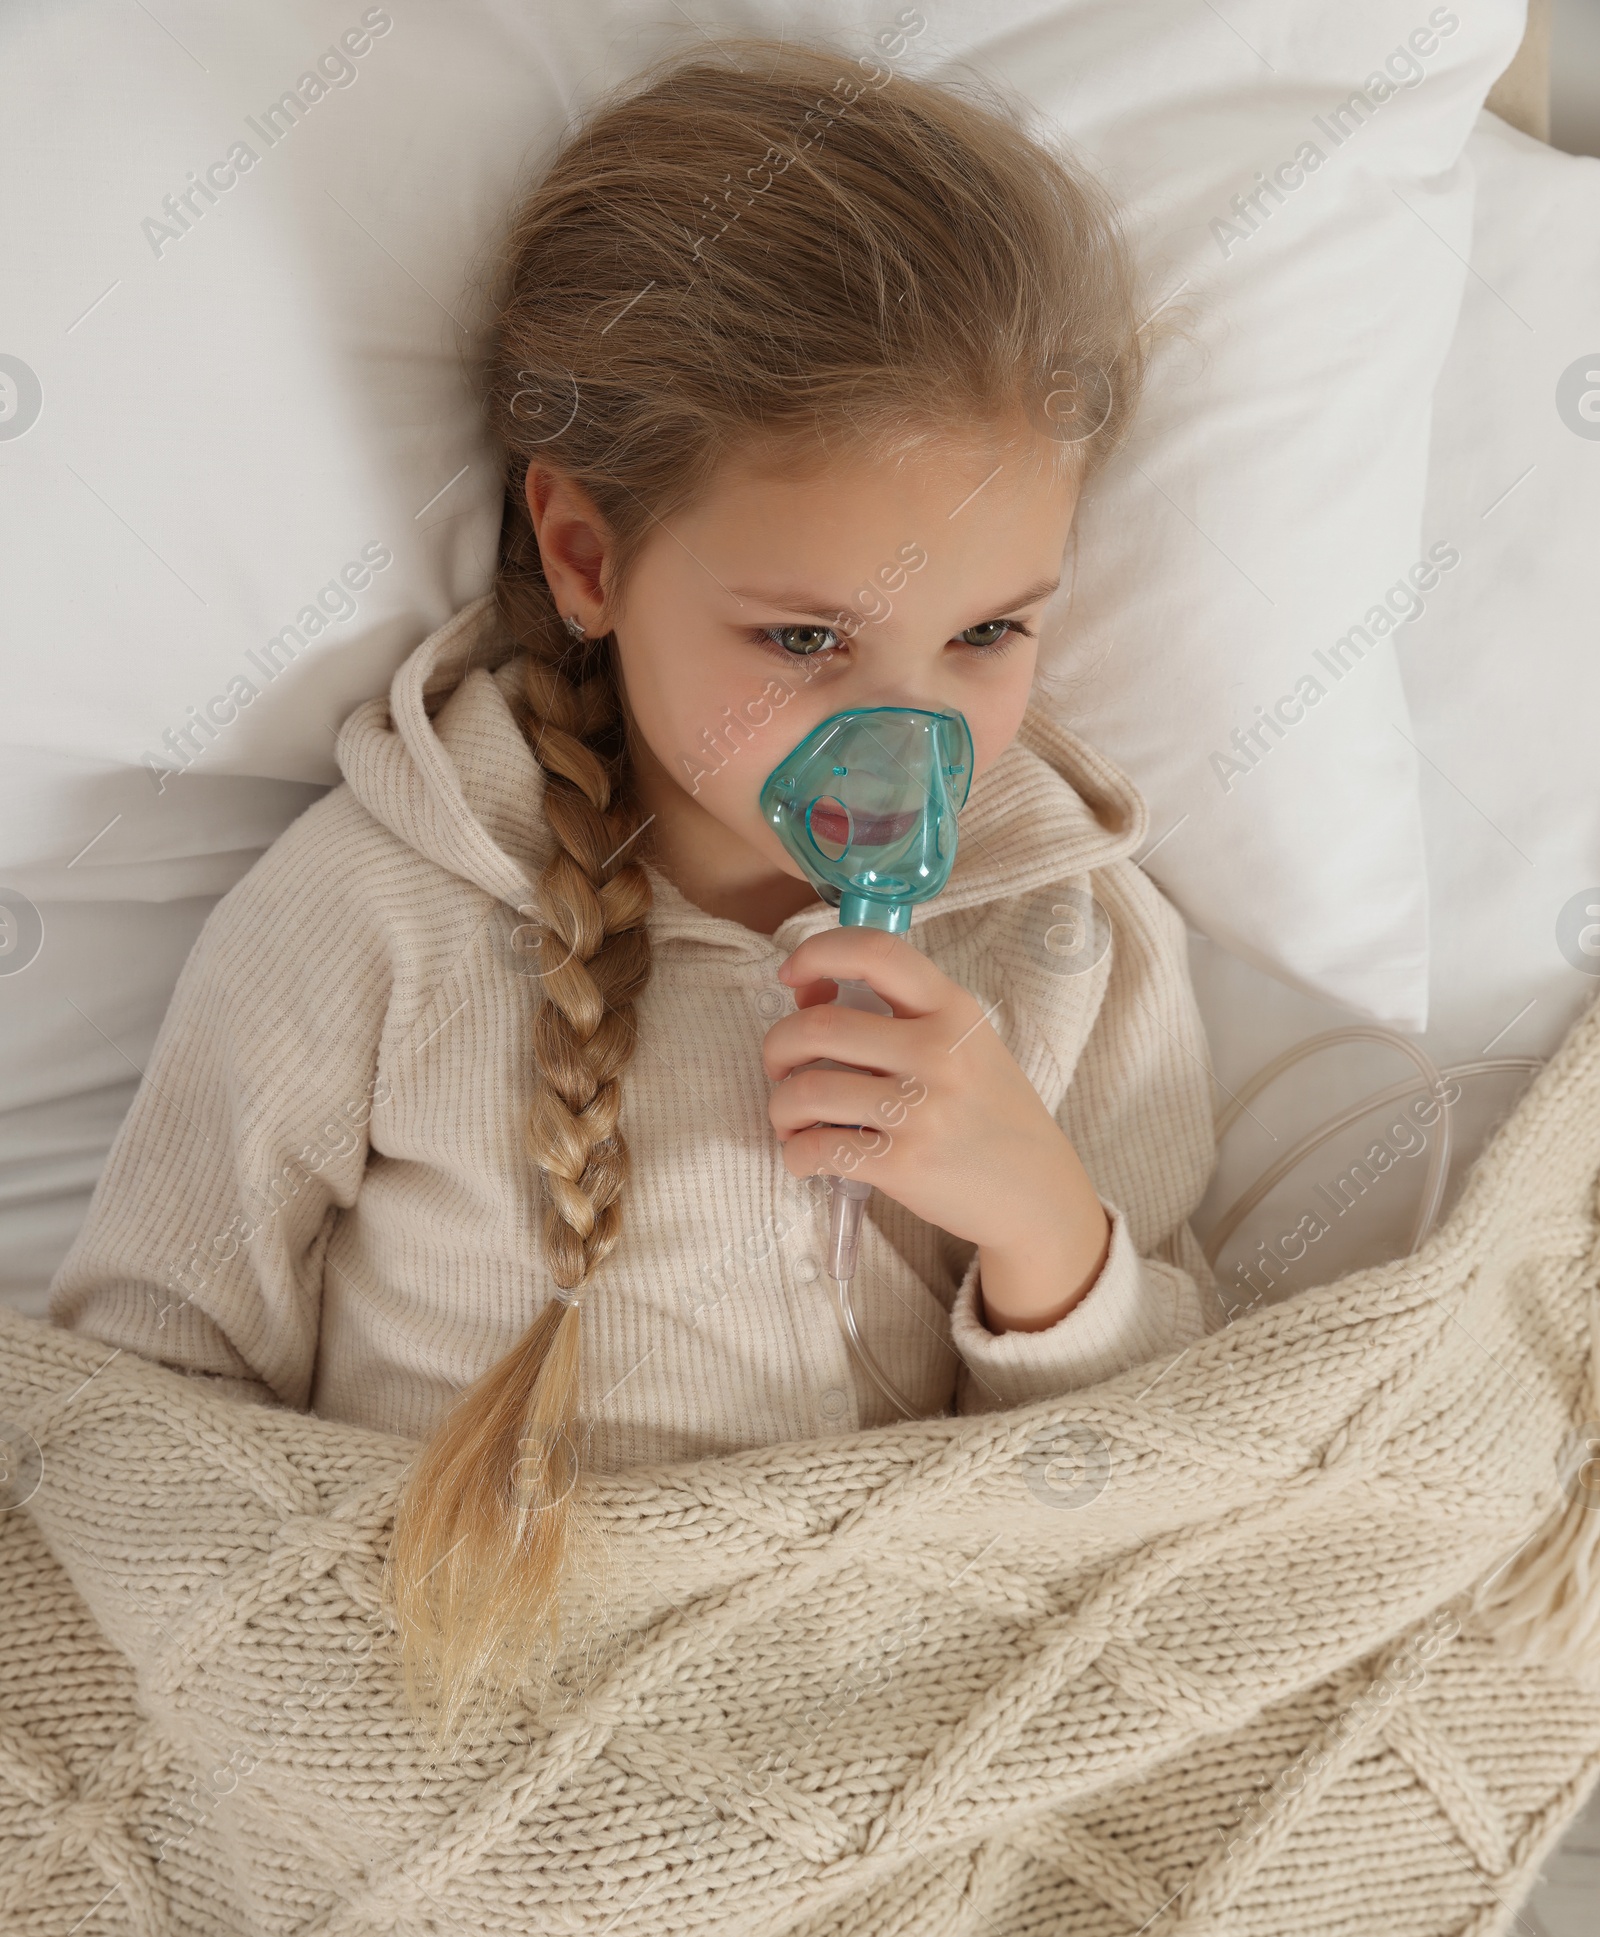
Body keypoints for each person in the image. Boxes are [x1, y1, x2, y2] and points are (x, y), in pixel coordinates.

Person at [50, 36, 1224, 1747]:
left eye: (988, 635)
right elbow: (136, 1415)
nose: (902, 733)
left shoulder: (1064, 938)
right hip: (446, 1724)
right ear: (590, 557)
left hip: (896, 1738)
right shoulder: (378, 917)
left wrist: (1048, 1236)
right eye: (807, 640)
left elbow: (1170, 1488)